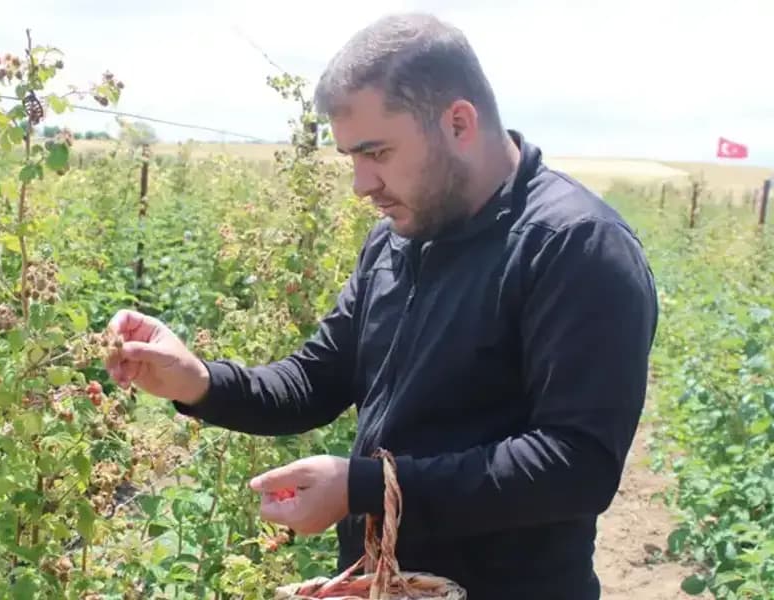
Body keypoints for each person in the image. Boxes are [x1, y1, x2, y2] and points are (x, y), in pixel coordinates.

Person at [105, 12, 658, 599]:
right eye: (351, 157)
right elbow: (314, 380)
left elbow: (576, 467)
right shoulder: (400, 240)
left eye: (378, 152)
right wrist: (195, 380)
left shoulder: (572, 246)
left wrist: (366, 487)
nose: (361, 184)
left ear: (459, 123)